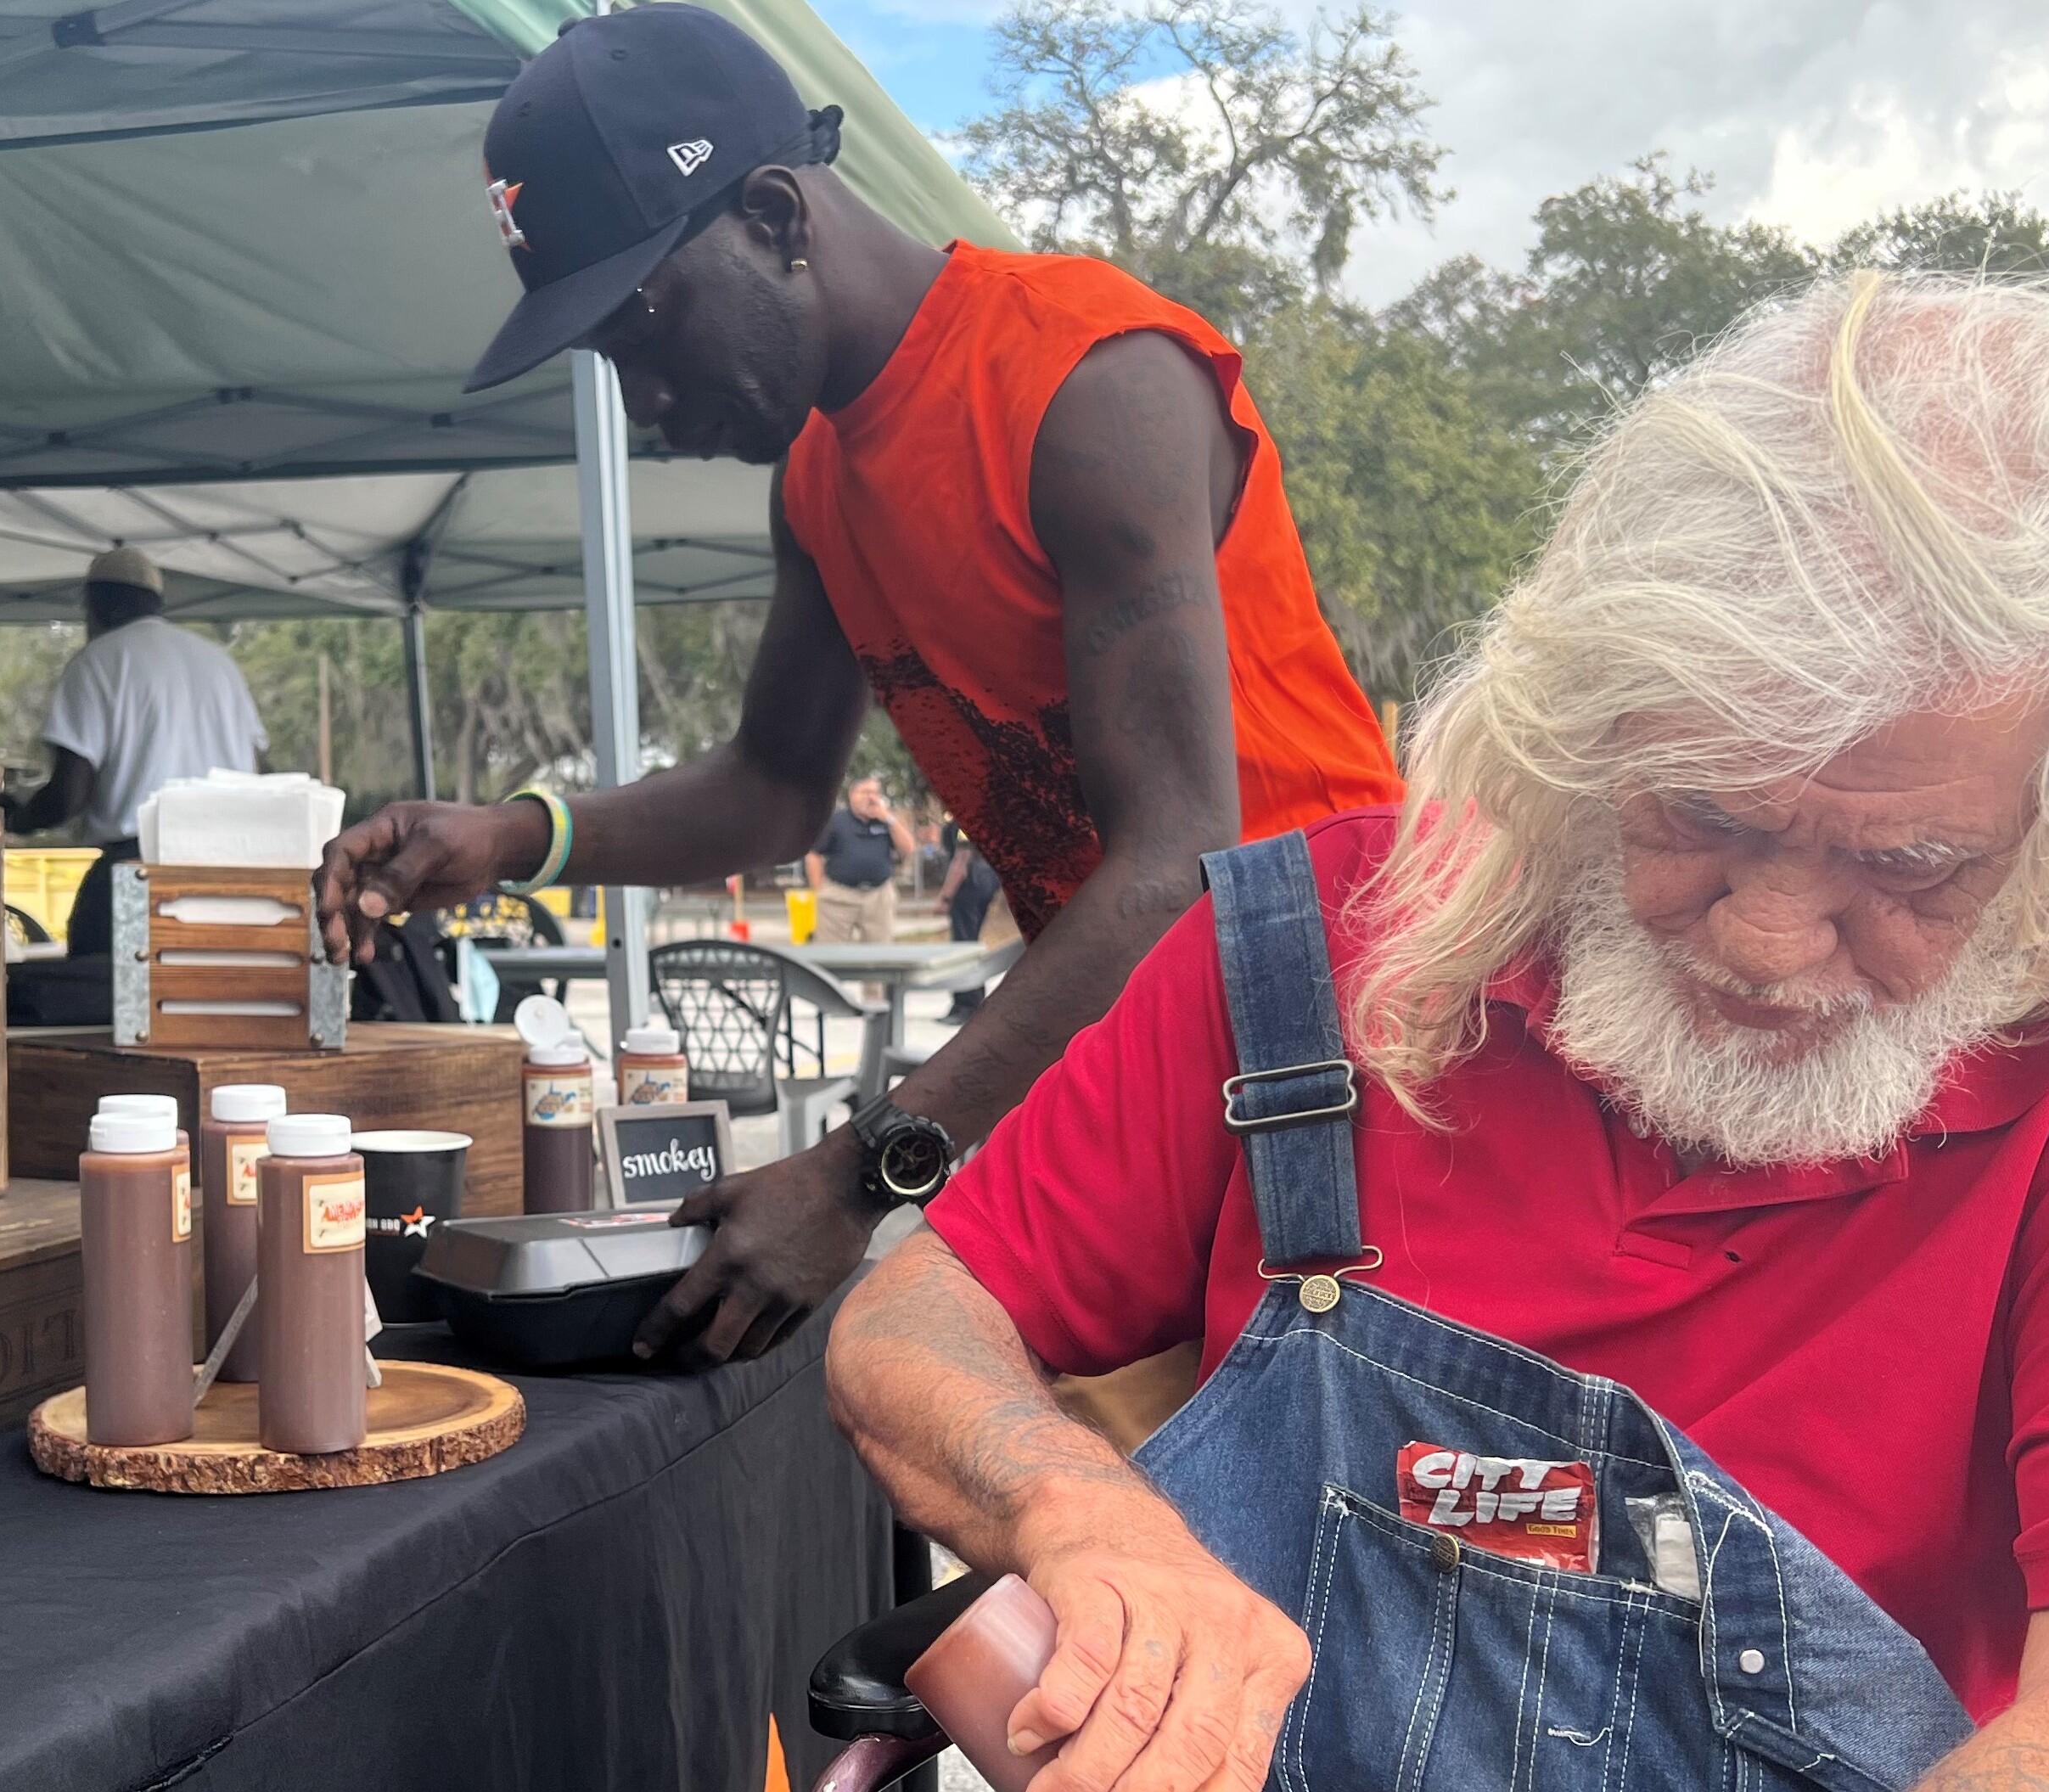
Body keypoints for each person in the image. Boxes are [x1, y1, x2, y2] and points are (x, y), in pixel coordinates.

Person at [826, 273, 2049, 1792]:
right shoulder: (1312, 953)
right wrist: (1078, 1514)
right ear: (1583, 722)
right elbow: (906, 1329)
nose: (1764, 939)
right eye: (1698, 814)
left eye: (1907, 865)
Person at [315, 3, 1396, 1363]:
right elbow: (773, 791)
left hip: (1349, 1056)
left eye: (643, 330)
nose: (642, 400)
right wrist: (511, 837)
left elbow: (1182, 859)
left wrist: (856, 1174)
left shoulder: (1087, 384)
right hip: (1155, 1060)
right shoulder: (821, 484)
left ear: (773, 215)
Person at [0, 548, 267, 953]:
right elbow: (260, 769)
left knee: (100, 1001)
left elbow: (70, 795)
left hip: (140, 871)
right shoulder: (219, 664)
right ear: (156, 602)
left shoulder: (97, 662)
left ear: (97, 604)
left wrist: (16, 817)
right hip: (230, 869)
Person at [805, 774, 914, 945]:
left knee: (880, 953)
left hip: (878, 896)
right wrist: (818, 887)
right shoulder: (836, 821)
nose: (871, 797)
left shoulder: (886, 821)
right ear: (852, 795)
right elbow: (814, 854)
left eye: (875, 793)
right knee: (832, 952)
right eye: (865, 792)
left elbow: (908, 848)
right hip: (839, 896)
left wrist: (888, 818)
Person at [936, 816, 1002, 1024]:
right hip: (986, 881)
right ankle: (974, 1001)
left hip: (969, 886)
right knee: (970, 944)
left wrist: (945, 896)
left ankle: (966, 1005)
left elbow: (961, 860)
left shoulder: (964, 819)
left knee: (963, 946)